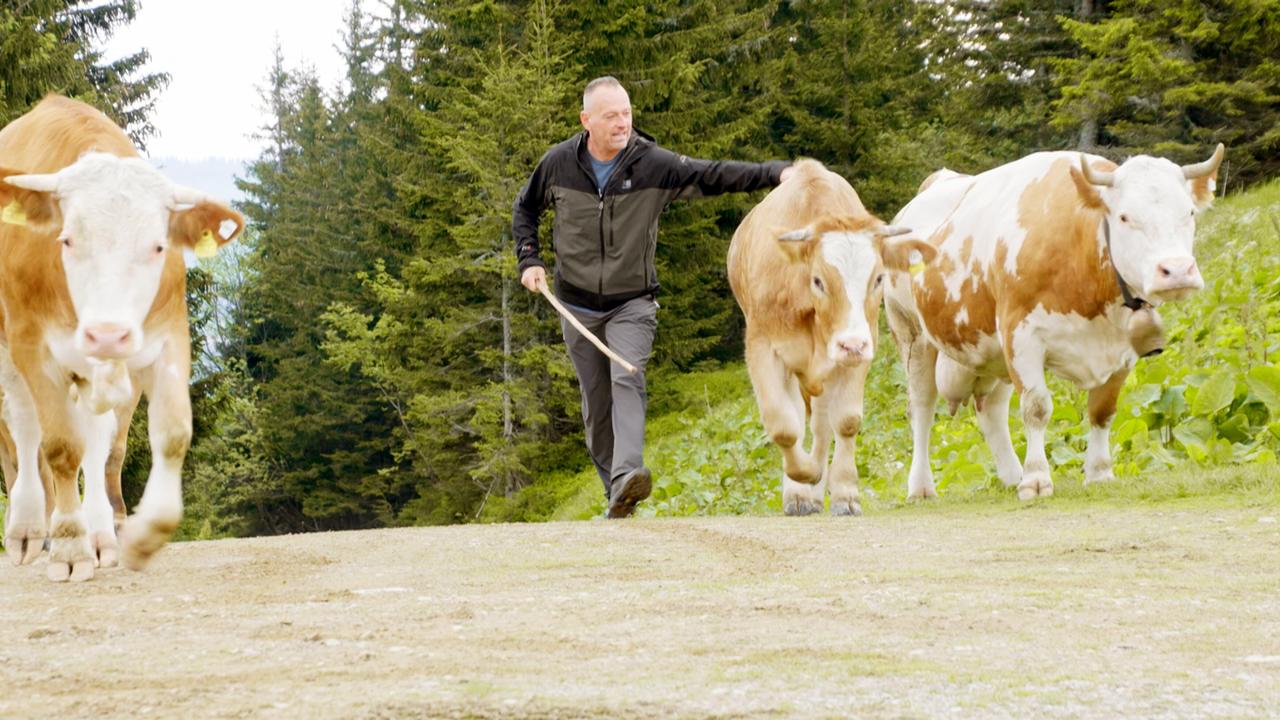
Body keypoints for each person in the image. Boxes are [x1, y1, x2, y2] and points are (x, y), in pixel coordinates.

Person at [512, 76, 793, 519]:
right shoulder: (558, 164)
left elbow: (712, 173)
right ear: (586, 120)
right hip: (576, 307)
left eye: (626, 113)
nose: (622, 123)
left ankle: (628, 474)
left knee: (628, 376)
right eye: (611, 116)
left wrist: (777, 172)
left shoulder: (652, 164)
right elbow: (524, 208)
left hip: (633, 303)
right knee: (596, 404)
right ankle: (617, 493)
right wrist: (529, 259)